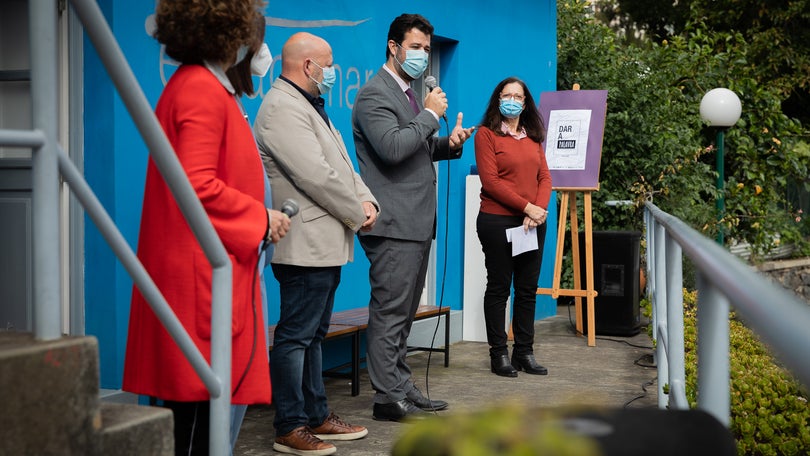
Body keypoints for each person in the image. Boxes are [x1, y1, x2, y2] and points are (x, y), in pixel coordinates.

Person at [122, 1, 291, 454]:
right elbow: (195, 185)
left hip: (203, 278)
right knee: (195, 425)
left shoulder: (201, 87)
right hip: (198, 286)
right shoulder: (199, 89)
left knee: (196, 417)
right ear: (230, 32)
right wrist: (261, 218)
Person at [254, 32, 378, 455]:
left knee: (313, 333)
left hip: (323, 240)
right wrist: (356, 211)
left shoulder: (308, 104)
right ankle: (289, 425)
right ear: (309, 66)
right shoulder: (280, 109)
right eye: (328, 63)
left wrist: (366, 197)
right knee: (296, 336)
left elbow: (340, 164)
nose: (332, 71)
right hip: (303, 243)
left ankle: (316, 415)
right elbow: (316, 176)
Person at [351, 13, 475, 422]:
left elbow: (416, 147)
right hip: (394, 224)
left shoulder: (408, 93)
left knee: (404, 314)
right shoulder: (374, 94)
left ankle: (401, 384)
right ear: (394, 47)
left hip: (417, 222)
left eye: (426, 48)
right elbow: (390, 148)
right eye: (416, 47)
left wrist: (448, 144)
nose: (423, 55)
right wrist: (430, 115)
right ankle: (386, 397)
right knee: (389, 312)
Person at [474, 76, 552, 378]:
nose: (512, 101)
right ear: (497, 100)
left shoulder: (533, 136)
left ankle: (524, 352)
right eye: (507, 95)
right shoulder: (486, 135)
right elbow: (491, 182)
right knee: (499, 288)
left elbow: (545, 178)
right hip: (497, 221)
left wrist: (538, 210)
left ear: (525, 102)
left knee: (527, 290)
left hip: (532, 223)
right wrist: (526, 207)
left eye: (518, 96)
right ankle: (498, 354)